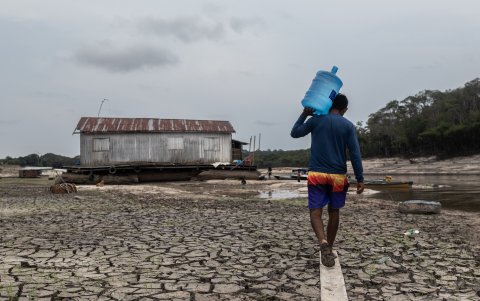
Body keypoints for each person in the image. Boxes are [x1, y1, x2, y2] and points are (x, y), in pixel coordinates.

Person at [290, 93, 365, 267]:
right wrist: (360, 178)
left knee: (315, 212)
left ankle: (322, 242)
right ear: (344, 109)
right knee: (334, 211)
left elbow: (294, 133)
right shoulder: (348, 125)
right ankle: (329, 248)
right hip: (338, 176)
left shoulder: (316, 120)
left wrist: (304, 114)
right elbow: (355, 154)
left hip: (317, 175)